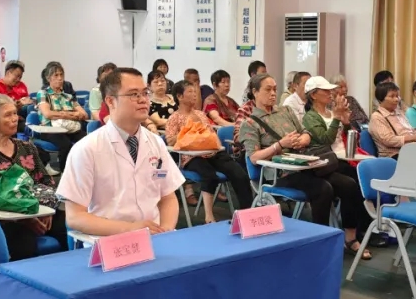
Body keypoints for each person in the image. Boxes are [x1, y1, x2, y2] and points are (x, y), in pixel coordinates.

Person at [240, 73, 374, 259]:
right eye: (268, 90)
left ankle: (350, 238)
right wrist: (280, 145)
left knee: (349, 184)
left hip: (304, 164)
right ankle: (320, 242)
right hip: (282, 173)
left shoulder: (285, 111)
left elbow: (306, 133)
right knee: (323, 189)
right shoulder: (249, 123)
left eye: (275, 89)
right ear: (255, 92)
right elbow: (254, 158)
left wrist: (302, 140)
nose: (273, 93)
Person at [58, 68, 184, 236]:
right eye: (134, 94)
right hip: (110, 240)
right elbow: (75, 217)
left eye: (145, 93)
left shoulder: (156, 143)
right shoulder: (87, 149)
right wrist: (130, 230)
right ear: (111, 101)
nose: (143, 100)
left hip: (155, 237)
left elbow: (168, 197)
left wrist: (166, 231)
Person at [0, 95, 68, 258]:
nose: (15, 119)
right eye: (8, 115)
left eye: (15, 113)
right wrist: (27, 219)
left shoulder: (27, 147)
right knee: (23, 243)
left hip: (38, 209)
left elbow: (46, 181)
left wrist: (47, 210)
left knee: (68, 226)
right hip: (6, 219)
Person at [165, 80, 252, 223]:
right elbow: (170, 141)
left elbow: (210, 134)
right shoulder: (174, 118)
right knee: (209, 175)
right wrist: (189, 131)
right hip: (191, 157)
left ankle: (247, 213)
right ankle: (209, 216)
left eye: (195, 92)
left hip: (212, 152)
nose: (195, 95)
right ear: (179, 96)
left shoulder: (201, 114)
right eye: (190, 92)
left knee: (239, 173)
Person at [36, 63, 87, 164]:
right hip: (50, 130)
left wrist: (63, 115)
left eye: (61, 75)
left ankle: (83, 168)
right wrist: (71, 115)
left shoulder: (68, 96)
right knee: (66, 144)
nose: (60, 78)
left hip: (69, 128)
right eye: (56, 75)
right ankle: (65, 170)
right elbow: (48, 114)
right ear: (48, 78)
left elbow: (84, 114)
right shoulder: (43, 93)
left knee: (87, 140)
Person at [368, 81, 416, 158]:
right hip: (393, 155)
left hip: (411, 149)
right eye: (392, 96)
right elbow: (388, 140)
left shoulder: (399, 113)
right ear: (381, 99)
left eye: (397, 96)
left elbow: (410, 130)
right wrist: (412, 137)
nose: (396, 99)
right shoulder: (377, 117)